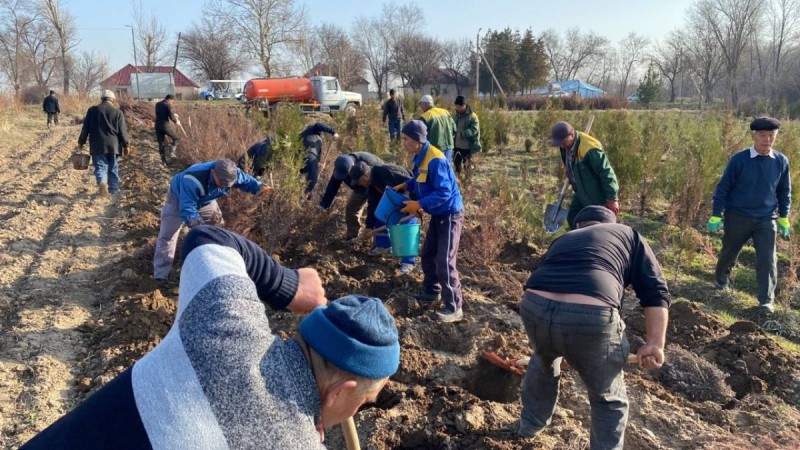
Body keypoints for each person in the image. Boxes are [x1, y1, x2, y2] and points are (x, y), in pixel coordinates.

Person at [21, 226, 400, 450]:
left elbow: (208, 238)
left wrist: (288, 286)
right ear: (339, 392)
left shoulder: (224, 320)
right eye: (363, 402)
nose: (356, 411)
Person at [518, 205, 670, 449]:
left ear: (578, 227)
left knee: (543, 361)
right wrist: (654, 343)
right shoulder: (628, 234)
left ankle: (528, 427)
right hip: (591, 316)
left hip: (534, 305)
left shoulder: (564, 238)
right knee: (607, 397)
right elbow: (655, 292)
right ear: (612, 222)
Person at [708, 117, 791, 314]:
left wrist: (784, 216)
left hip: (766, 218)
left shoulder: (780, 161)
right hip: (738, 215)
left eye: (772, 136)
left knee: (767, 258)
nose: (767, 140)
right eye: (763, 136)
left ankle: (766, 300)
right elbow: (723, 188)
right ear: (753, 136)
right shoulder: (739, 160)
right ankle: (721, 280)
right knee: (729, 252)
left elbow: (783, 191)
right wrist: (716, 214)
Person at [152, 159, 270, 282]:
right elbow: (187, 209)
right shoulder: (193, 179)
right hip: (179, 199)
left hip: (206, 200)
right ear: (213, 172)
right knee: (168, 236)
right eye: (221, 183)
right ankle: (161, 275)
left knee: (219, 230)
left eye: (226, 185)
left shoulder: (232, 173)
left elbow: (246, 181)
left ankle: (216, 266)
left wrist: (260, 188)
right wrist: (200, 227)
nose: (223, 187)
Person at [395, 120, 465, 322]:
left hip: (450, 214)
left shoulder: (435, 159)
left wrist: (419, 205)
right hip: (438, 213)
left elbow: (444, 192)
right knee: (428, 254)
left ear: (418, 140)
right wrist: (406, 185)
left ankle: (454, 307)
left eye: (406, 139)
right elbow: (420, 180)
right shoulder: (420, 156)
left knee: (445, 260)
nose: (404, 143)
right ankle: (431, 291)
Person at [349, 161, 417, 274]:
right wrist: (369, 226)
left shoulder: (383, 173)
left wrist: (415, 203)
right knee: (380, 213)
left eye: (359, 181)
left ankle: (408, 262)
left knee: (407, 226)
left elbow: (412, 182)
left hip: (411, 195)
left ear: (366, 175)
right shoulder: (372, 185)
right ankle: (382, 245)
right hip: (395, 198)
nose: (359, 184)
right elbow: (372, 205)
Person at [550, 121, 619, 229]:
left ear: (571, 135)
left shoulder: (589, 149)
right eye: (559, 143)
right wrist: (569, 169)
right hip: (581, 190)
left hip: (597, 194)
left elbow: (606, 172)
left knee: (601, 225)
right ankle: (577, 240)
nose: (561, 145)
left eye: (563, 141)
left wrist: (612, 199)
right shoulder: (565, 146)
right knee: (573, 216)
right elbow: (569, 160)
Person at [319, 152, 384, 242]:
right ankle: (353, 237)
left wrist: (369, 225)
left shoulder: (368, 165)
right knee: (351, 209)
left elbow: (373, 201)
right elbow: (333, 186)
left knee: (376, 212)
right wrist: (324, 205)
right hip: (359, 188)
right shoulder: (341, 166)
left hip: (377, 186)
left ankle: (376, 241)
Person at [78, 90, 130, 197]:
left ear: (101, 99)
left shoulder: (92, 110)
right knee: (113, 167)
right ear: (112, 100)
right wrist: (126, 145)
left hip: (97, 144)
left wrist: (81, 141)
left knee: (100, 166)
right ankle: (114, 189)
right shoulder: (118, 112)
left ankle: (102, 182)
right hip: (113, 145)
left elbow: (85, 128)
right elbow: (122, 131)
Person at [299, 122, 338, 196]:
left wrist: (318, 163)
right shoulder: (313, 129)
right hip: (310, 158)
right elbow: (318, 124)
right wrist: (333, 132)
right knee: (312, 181)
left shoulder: (302, 135)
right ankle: (305, 198)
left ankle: (300, 197)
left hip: (302, 160)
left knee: (302, 180)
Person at [417, 94, 456, 162]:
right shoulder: (445, 112)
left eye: (420, 105)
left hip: (435, 149)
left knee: (437, 169)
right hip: (449, 146)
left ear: (424, 104)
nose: (420, 107)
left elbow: (420, 136)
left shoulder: (425, 116)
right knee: (447, 168)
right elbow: (454, 129)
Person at [452, 95, 481, 184]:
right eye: (456, 106)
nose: (457, 108)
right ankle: (458, 181)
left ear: (464, 105)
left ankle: (468, 181)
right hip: (457, 146)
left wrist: (463, 134)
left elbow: (474, 130)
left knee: (467, 165)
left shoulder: (472, 116)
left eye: (459, 106)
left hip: (468, 147)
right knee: (457, 165)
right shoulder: (456, 116)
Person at [155, 94, 180, 165]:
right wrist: (176, 121)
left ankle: (163, 161)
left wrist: (173, 115)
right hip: (165, 125)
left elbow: (162, 113)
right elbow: (170, 115)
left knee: (161, 143)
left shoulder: (157, 104)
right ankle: (172, 152)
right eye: (172, 101)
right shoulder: (167, 105)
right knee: (176, 138)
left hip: (157, 126)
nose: (172, 103)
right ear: (169, 99)